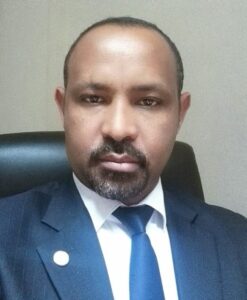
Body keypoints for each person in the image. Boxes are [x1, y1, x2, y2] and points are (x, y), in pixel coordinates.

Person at [0, 17, 246, 300]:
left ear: (180, 113)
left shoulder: (237, 240)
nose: (119, 129)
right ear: (63, 107)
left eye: (148, 102)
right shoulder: (6, 236)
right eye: (93, 99)